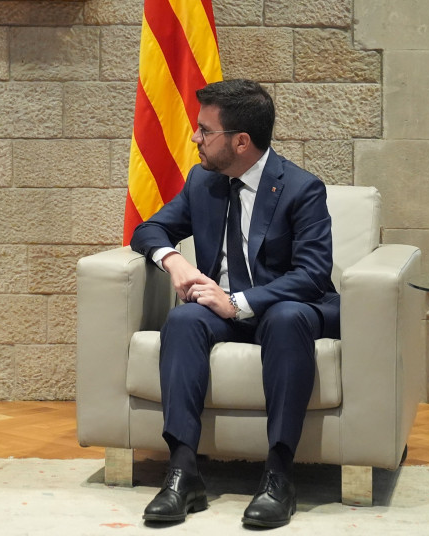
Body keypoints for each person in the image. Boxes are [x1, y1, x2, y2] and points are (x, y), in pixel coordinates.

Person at [130, 79, 338, 529]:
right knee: (184, 320)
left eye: (205, 130)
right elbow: (147, 231)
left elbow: (312, 276)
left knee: (286, 318)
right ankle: (184, 474)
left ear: (241, 141)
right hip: (219, 310)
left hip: (283, 307)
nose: (195, 138)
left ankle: (278, 476)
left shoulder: (302, 189)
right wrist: (174, 263)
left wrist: (238, 302)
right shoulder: (203, 182)